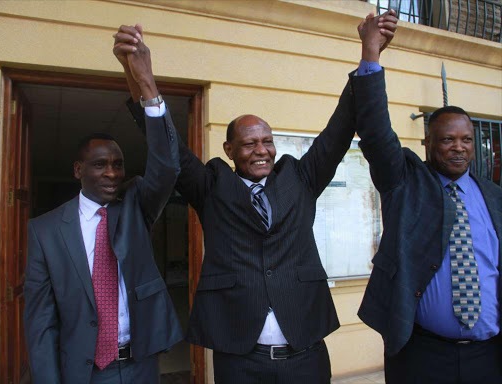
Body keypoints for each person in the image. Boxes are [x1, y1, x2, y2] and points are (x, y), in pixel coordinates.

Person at [112, 12, 397, 384]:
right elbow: (169, 150)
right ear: (230, 149)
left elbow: (340, 127)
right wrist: (142, 79)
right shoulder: (211, 185)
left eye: (267, 141)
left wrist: (369, 54)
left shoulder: (300, 177)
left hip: (306, 352)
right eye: (249, 143)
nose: (261, 150)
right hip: (240, 358)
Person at [24, 42, 183, 384]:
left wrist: (147, 85)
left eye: (117, 164)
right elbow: (41, 323)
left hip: (140, 365)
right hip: (84, 372)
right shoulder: (45, 230)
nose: (112, 173)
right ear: (78, 170)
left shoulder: (136, 205)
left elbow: (168, 167)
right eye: (100, 165)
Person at [355, 14, 502, 384]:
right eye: (447, 139)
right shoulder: (406, 183)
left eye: (466, 140)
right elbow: (375, 133)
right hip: (422, 355)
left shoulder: (494, 197)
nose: (458, 148)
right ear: (428, 144)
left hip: (490, 355)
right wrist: (371, 52)